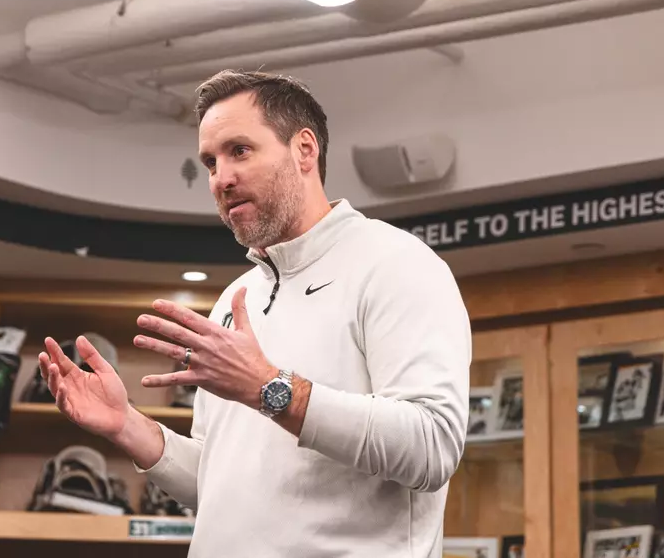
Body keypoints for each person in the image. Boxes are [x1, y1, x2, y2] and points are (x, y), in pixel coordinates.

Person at [38, 69, 472, 556]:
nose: (221, 178)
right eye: (209, 161)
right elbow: (219, 486)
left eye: (239, 151)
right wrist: (127, 425)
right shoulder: (235, 299)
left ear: (305, 150)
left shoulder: (395, 264)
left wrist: (270, 389)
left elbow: (432, 447)